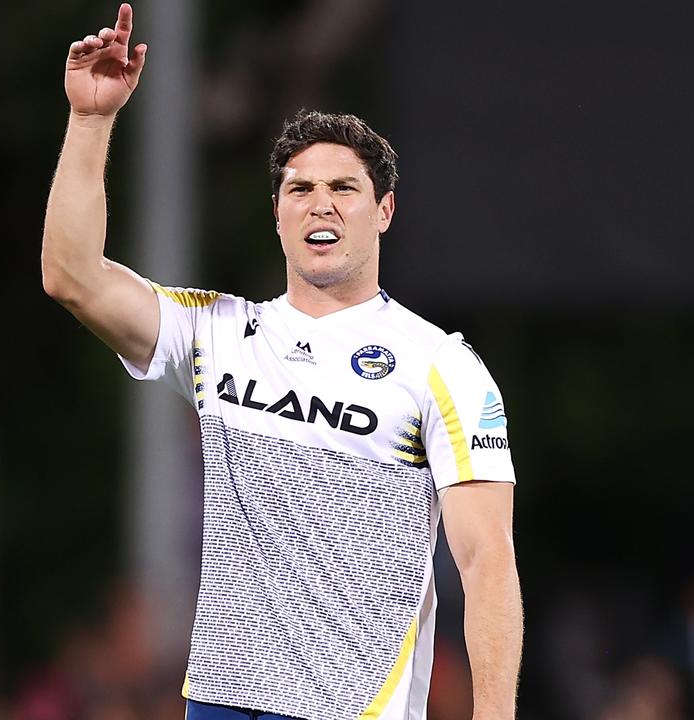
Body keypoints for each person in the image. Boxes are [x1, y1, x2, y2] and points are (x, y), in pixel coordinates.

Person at [41, 5, 523, 719]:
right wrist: (89, 121)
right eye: (300, 189)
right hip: (222, 699)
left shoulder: (440, 366)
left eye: (344, 189)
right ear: (277, 212)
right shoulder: (217, 331)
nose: (319, 204)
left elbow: (486, 562)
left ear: (384, 211)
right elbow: (71, 276)